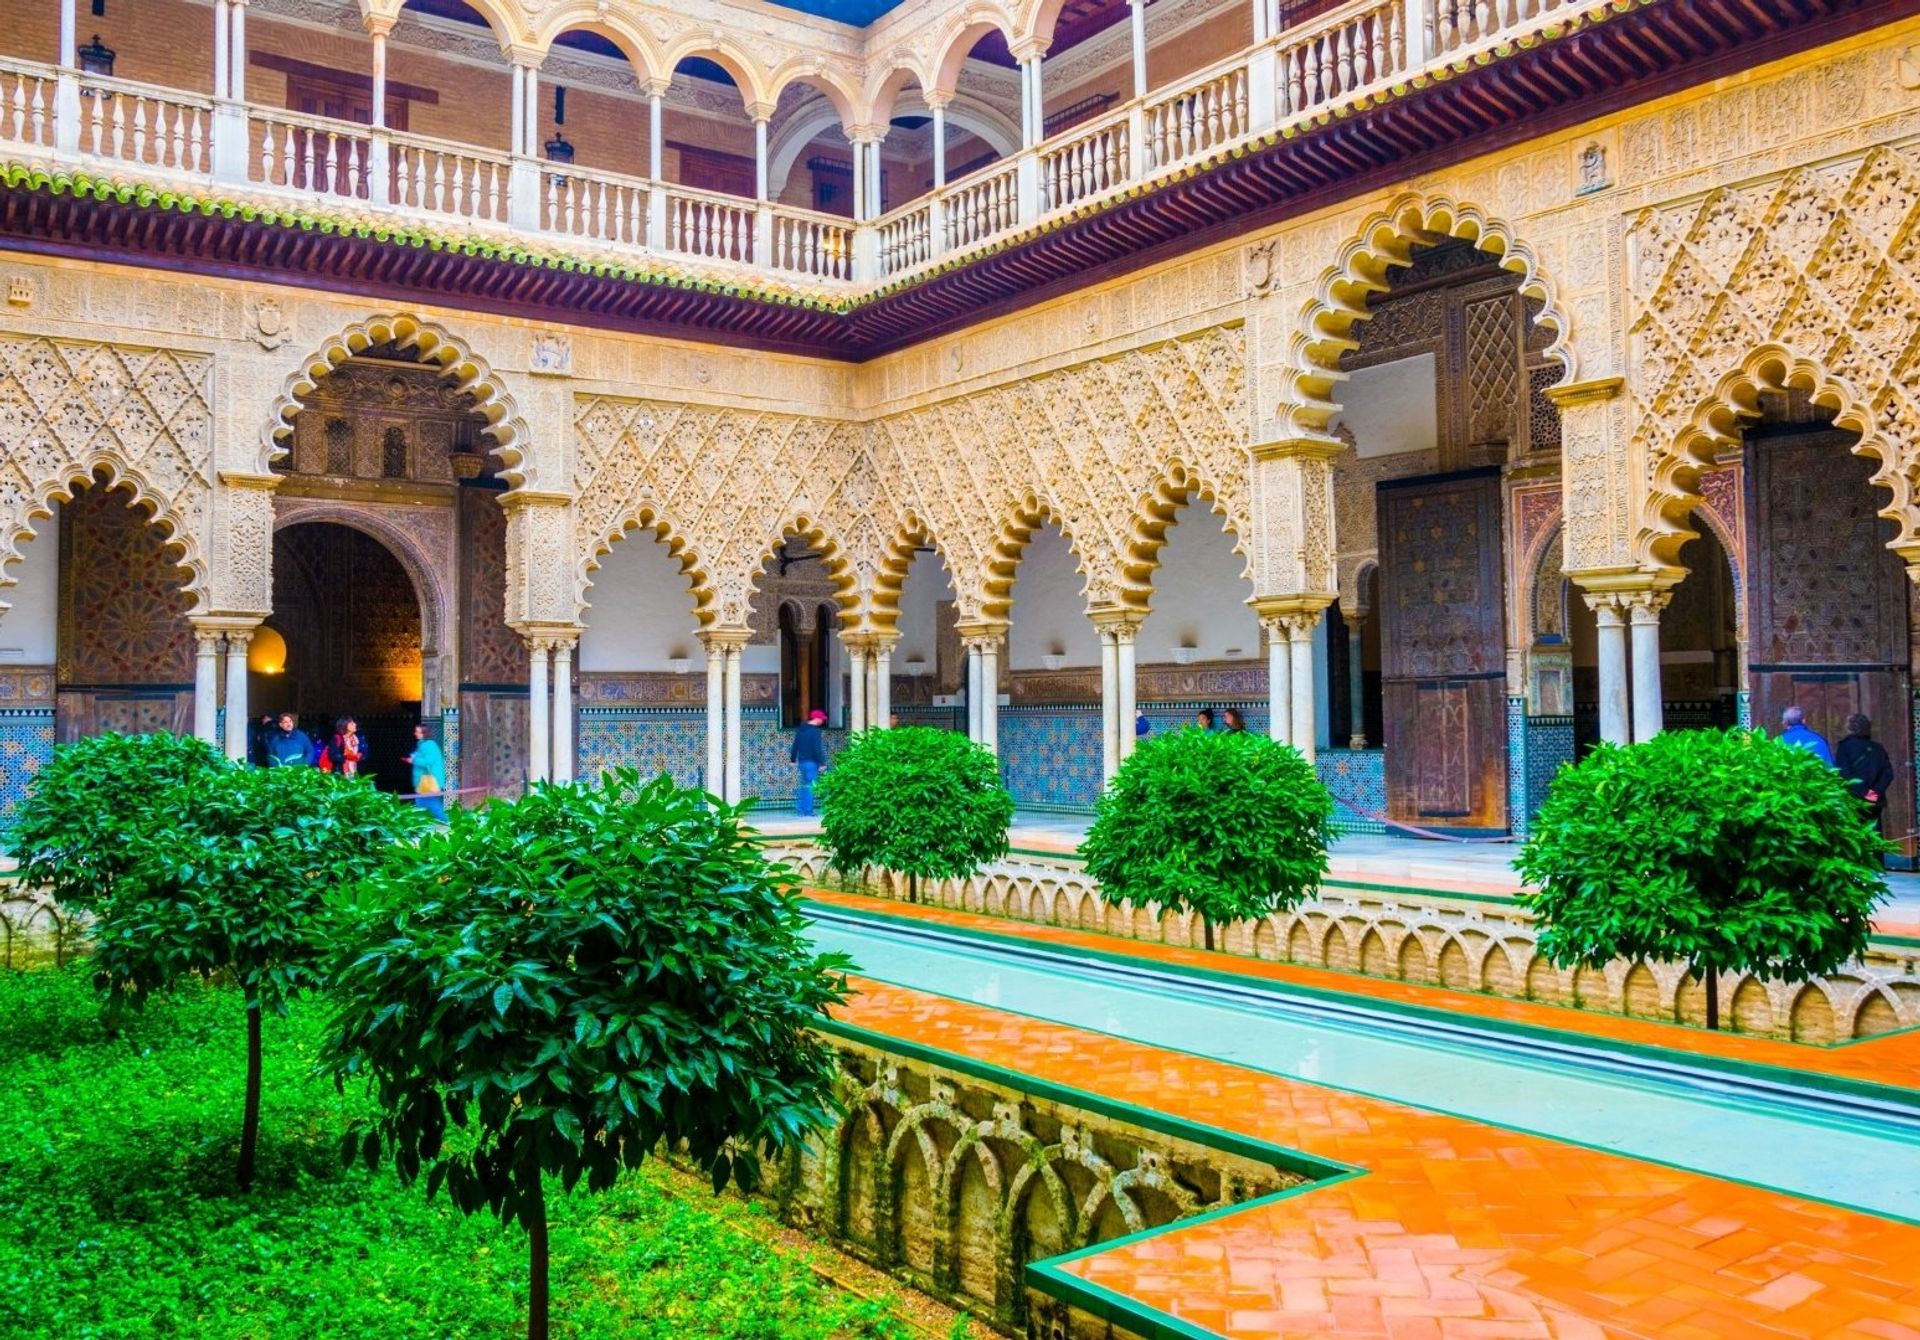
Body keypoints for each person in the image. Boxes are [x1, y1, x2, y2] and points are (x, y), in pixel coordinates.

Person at [1835, 713, 1894, 824]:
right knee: (1875, 834)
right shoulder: (1878, 748)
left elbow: (1845, 775)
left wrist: (1863, 794)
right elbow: (1887, 774)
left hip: (1853, 800)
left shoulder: (1844, 748)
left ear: (1849, 728)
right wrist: (1873, 794)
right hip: (1874, 801)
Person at [404, 722, 447, 822]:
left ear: (424, 734)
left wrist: (413, 760)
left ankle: (449, 824)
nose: (415, 733)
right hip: (424, 783)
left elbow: (427, 762)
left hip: (428, 783)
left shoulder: (429, 745)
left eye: (417, 732)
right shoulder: (423, 745)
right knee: (425, 805)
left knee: (431, 806)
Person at [791, 708, 829, 817]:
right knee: (810, 786)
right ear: (817, 719)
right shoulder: (815, 731)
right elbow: (817, 748)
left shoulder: (801, 729)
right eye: (822, 719)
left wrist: (793, 760)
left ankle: (801, 808)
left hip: (802, 763)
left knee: (805, 785)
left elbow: (795, 745)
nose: (822, 721)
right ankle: (807, 811)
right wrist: (822, 763)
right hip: (811, 763)